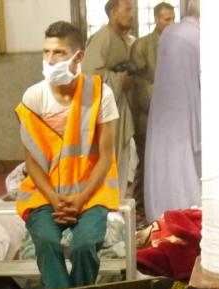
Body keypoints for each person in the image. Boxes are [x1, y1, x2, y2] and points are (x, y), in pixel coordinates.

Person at [15, 21, 120, 289]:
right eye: (46, 52)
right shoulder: (34, 97)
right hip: (46, 193)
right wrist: (54, 200)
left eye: (59, 53)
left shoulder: (100, 95)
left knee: (85, 245)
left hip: (90, 191)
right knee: (47, 242)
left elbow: (106, 158)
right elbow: (32, 162)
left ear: (79, 57)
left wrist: (79, 200)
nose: (50, 60)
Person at [143, 0, 200, 222]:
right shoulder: (195, 36)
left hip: (164, 112)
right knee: (185, 171)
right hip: (187, 107)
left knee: (166, 164)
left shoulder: (170, 33)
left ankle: (161, 218)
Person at [82, 0, 136, 200]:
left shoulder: (120, 39)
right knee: (109, 162)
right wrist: (120, 80)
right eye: (127, 9)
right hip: (104, 115)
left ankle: (117, 208)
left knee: (122, 162)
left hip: (119, 108)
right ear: (113, 13)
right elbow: (89, 76)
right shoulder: (102, 38)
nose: (132, 14)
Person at [129, 1, 173, 218]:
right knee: (146, 161)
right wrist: (162, 99)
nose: (171, 23)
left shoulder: (176, 43)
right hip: (147, 116)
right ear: (156, 19)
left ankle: (163, 201)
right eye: (167, 19)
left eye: (173, 19)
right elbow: (138, 83)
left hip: (170, 116)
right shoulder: (142, 45)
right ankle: (139, 205)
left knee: (167, 160)